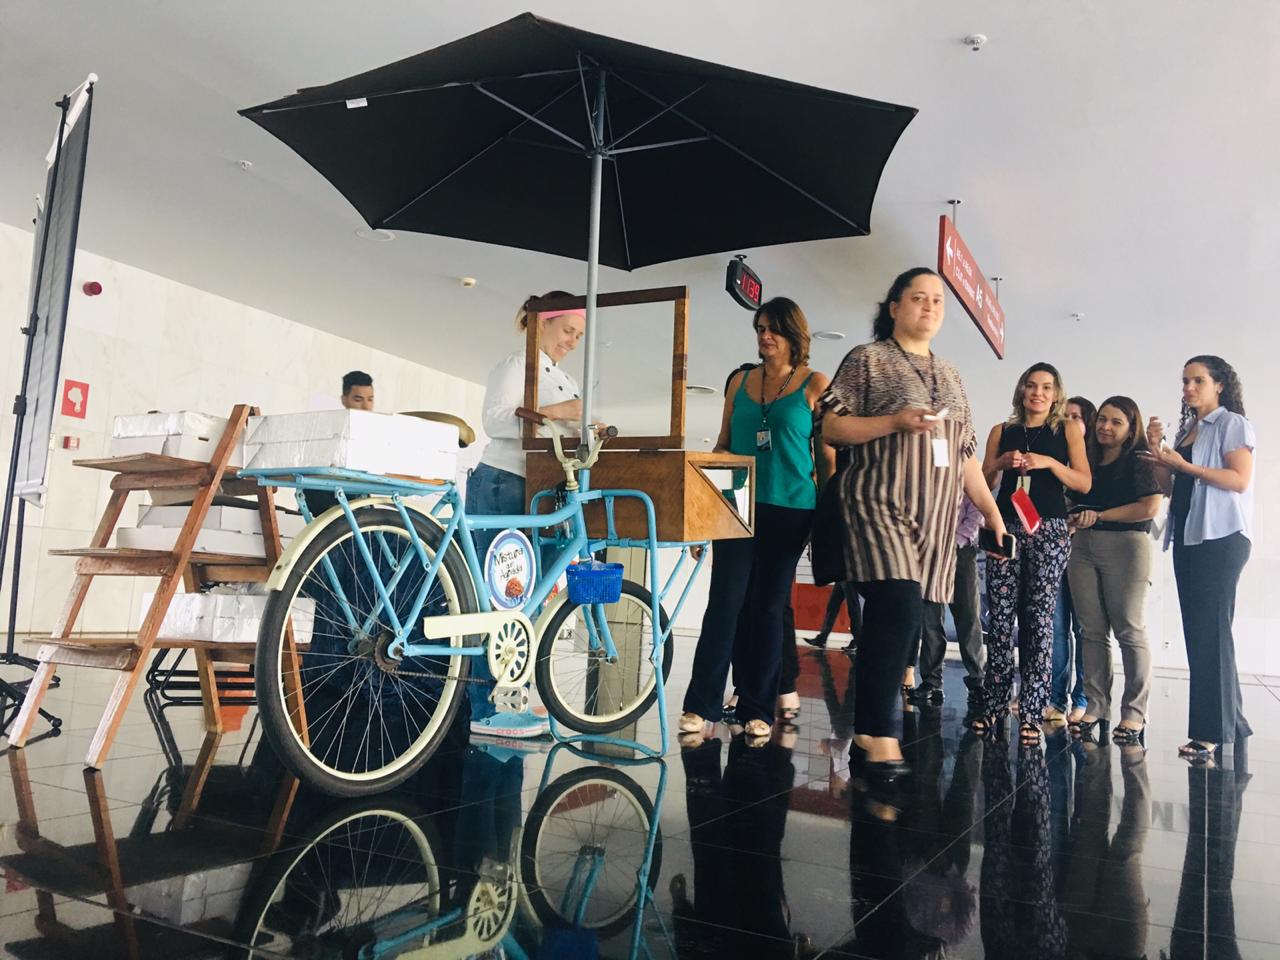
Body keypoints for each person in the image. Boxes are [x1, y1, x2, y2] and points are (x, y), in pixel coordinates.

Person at [818, 267, 1005, 784]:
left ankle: (869, 729)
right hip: (879, 502)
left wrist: (992, 514)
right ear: (895, 306)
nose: (929, 307)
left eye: (938, 300)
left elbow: (965, 455)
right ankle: (876, 730)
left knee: (904, 616)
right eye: (918, 298)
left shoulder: (951, 375)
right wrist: (894, 421)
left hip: (935, 518)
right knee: (898, 602)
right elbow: (831, 426)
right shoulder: (869, 359)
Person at [681, 297, 833, 741]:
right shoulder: (740, 381)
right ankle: (700, 705)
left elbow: (825, 457)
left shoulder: (814, 383)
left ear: (793, 334)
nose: (765, 336)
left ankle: (757, 708)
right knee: (724, 603)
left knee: (768, 608)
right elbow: (725, 445)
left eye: (773, 329)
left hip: (792, 508)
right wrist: (703, 509)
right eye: (760, 329)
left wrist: (828, 515)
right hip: (737, 505)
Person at [465, 292, 585, 739]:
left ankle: (511, 695)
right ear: (542, 324)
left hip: (540, 489)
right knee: (499, 595)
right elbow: (495, 421)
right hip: (503, 481)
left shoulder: (566, 379)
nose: (572, 341)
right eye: (567, 330)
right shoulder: (516, 365)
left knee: (525, 597)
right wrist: (557, 413)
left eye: (579, 335)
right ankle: (485, 707)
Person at [1142, 355, 1254, 761]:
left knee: (1209, 632)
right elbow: (1170, 487)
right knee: (1205, 631)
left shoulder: (1231, 423)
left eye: (1198, 381)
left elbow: (1239, 479)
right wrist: (1159, 455)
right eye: (1185, 381)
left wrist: (1184, 464)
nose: (1188, 388)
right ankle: (1232, 722)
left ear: (1219, 384)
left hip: (1221, 537)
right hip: (1190, 535)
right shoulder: (1189, 429)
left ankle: (1209, 732)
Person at [976, 362, 1091, 746]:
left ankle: (1032, 711)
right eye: (1031, 385)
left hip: (1050, 530)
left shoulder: (1067, 429)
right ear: (1021, 390)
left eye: (1046, 387)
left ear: (1056, 394)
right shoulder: (1002, 430)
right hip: (1005, 528)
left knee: (1039, 621)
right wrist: (999, 463)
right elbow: (984, 480)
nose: (1037, 393)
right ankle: (993, 705)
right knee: (999, 618)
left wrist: (1050, 463)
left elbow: (1084, 482)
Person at [1067, 396, 1162, 745]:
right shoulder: (1086, 458)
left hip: (1127, 546)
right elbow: (1072, 496)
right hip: (1082, 546)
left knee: (1129, 629)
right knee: (1091, 631)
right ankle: (1096, 706)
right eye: (1102, 419)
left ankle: (1134, 712)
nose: (1105, 427)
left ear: (1131, 427)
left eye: (1116, 422)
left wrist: (1099, 515)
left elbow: (1150, 507)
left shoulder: (1140, 459)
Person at [906, 494, 986, 710]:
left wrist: (956, 542)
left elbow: (977, 511)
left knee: (968, 617)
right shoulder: (928, 477)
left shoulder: (967, 475)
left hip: (961, 551)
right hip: (930, 552)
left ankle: (977, 681)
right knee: (930, 619)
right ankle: (931, 682)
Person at [1047, 395, 1096, 724]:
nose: (1069, 421)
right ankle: (1055, 698)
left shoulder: (1094, 463)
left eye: (1076, 416)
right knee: (1055, 629)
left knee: (1084, 628)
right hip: (1053, 551)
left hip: (1086, 553)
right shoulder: (1051, 456)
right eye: (1064, 415)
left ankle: (1082, 698)